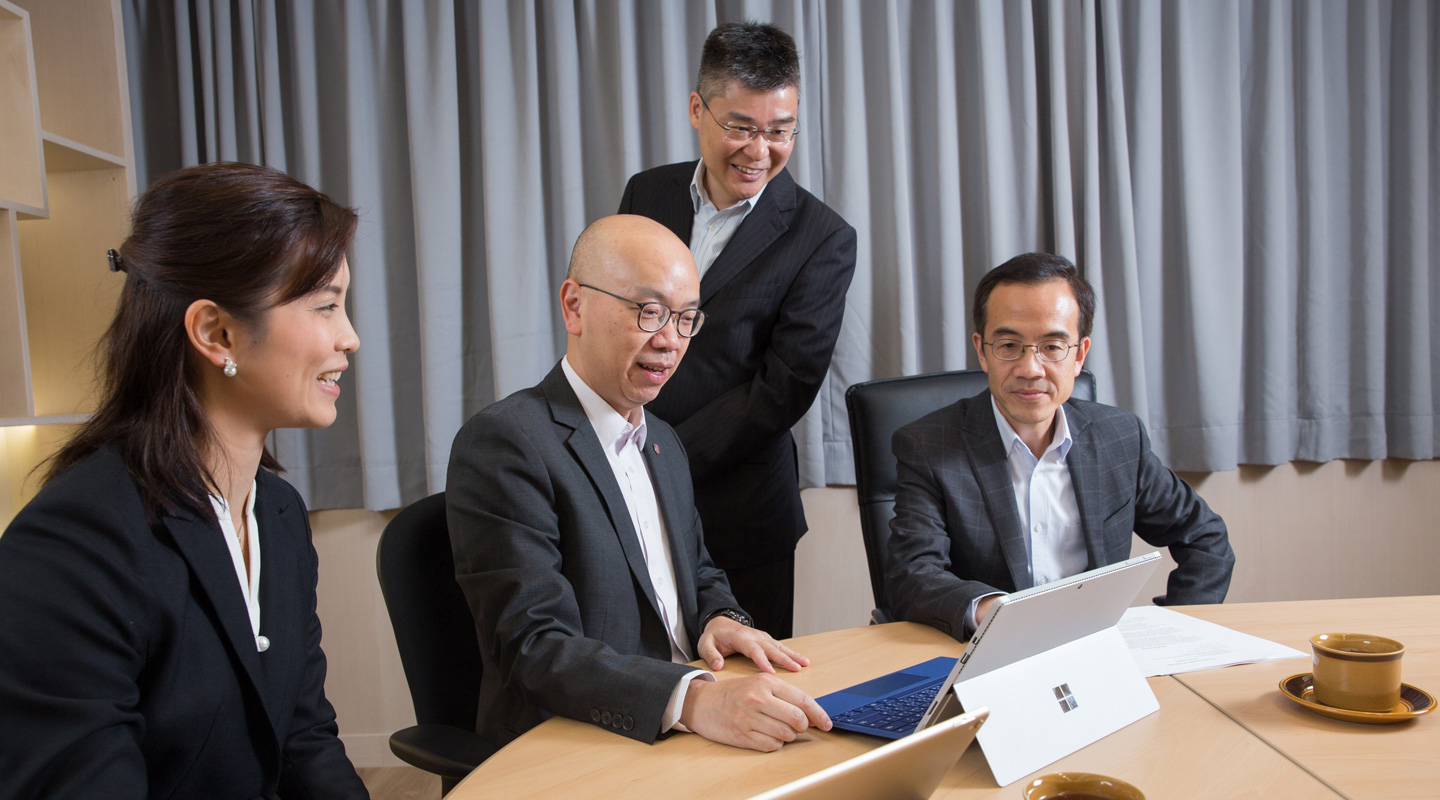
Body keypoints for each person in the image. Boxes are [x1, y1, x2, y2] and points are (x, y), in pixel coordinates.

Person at [0, 162, 368, 799]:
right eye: (326, 306)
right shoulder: (77, 545)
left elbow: (304, 739)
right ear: (216, 332)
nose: (351, 337)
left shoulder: (277, 513)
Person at [447, 215, 831, 753]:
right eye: (649, 313)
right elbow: (534, 646)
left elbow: (696, 570)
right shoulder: (506, 443)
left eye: (686, 319)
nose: (671, 341)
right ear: (574, 306)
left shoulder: (664, 442)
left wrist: (721, 617)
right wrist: (694, 701)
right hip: (584, 740)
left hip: (685, 723)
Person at [617, 21, 857, 639]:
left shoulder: (822, 237)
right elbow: (615, 320)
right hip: (623, 487)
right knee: (640, 678)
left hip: (740, 511)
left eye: (781, 131)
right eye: (741, 127)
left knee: (748, 694)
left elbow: (783, 390)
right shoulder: (647, 193)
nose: (760, 151)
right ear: (698, 110)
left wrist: (660, 458)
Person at [885, 253, 1235, 640]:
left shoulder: (1119, 437)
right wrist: (996, 614)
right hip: (984, 657)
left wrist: (1167, 631)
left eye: (1052, 346)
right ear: (982, 351)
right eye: (1008, 345)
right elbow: (912, 576)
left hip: (1094, 652)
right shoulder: (928, 446)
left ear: (1080, 354)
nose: (1030, 368)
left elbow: (1205, 539)